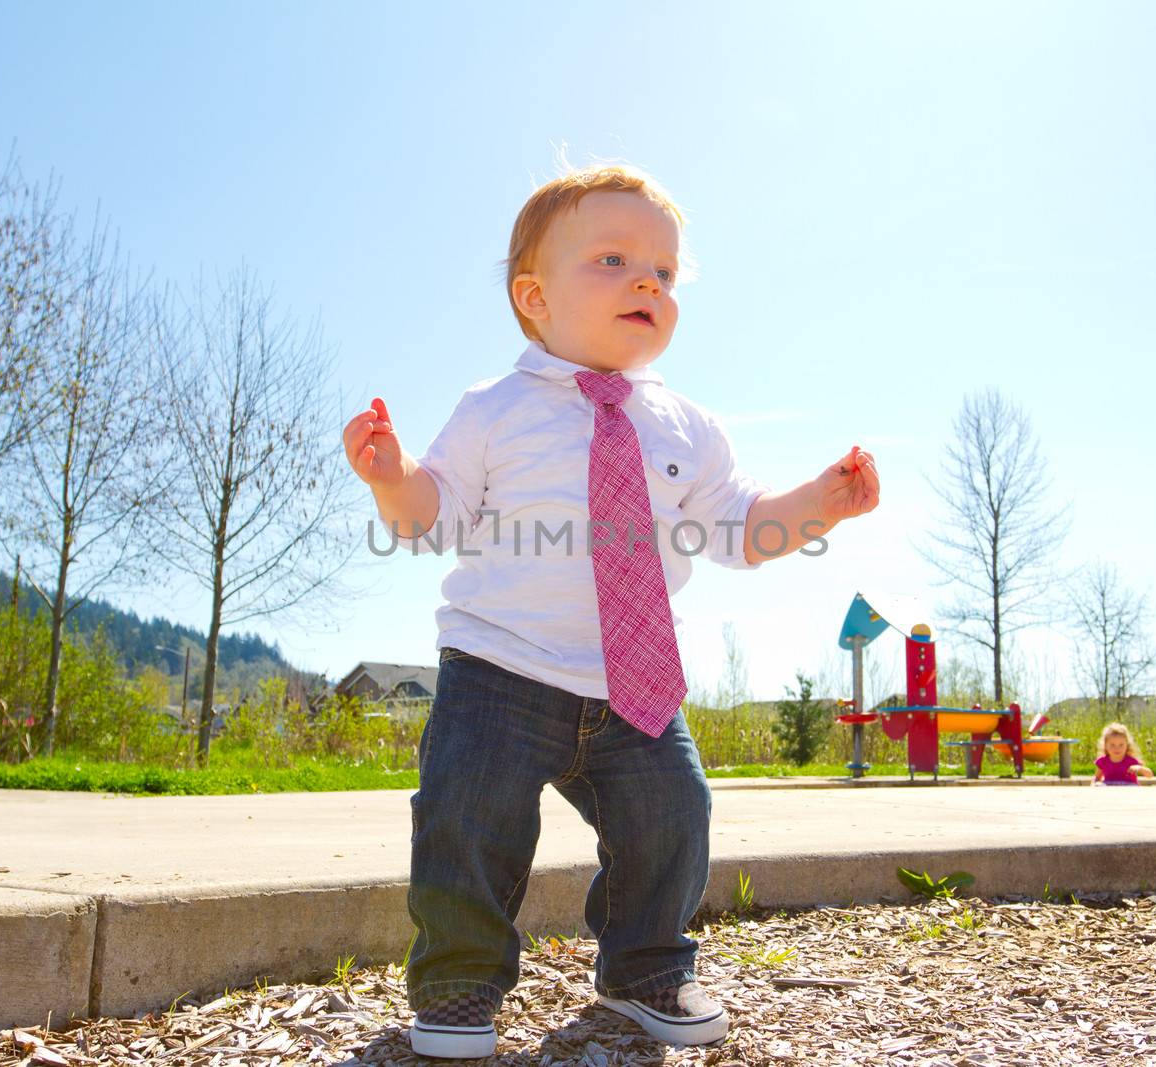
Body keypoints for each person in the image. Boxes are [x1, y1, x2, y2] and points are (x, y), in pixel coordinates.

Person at [340, 163, 880, 1058]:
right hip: (498, 671)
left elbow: (743, 530)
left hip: (633, 682)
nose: (648, 283)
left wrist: (820, 501)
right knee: (466, 823)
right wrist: (392, 478)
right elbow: (430, 517)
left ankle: (644, 967)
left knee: (674, 815)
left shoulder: (688, 427)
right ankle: (461, 982)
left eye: (666, 273)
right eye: (616, 260)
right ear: (535, 296)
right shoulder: (494, 409)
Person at [1093, 721, 1153, 785]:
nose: (1117, 748)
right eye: (1112, 745)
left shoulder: (1131, 761)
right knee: (1098, 784)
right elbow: (1097, 778)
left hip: (1128, 787)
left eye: (1121, 745)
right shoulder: (1103, 761)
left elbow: (1150, 775)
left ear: (1127, 745)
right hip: (1110, 788)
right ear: (1105, 745)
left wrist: (1140, 768)